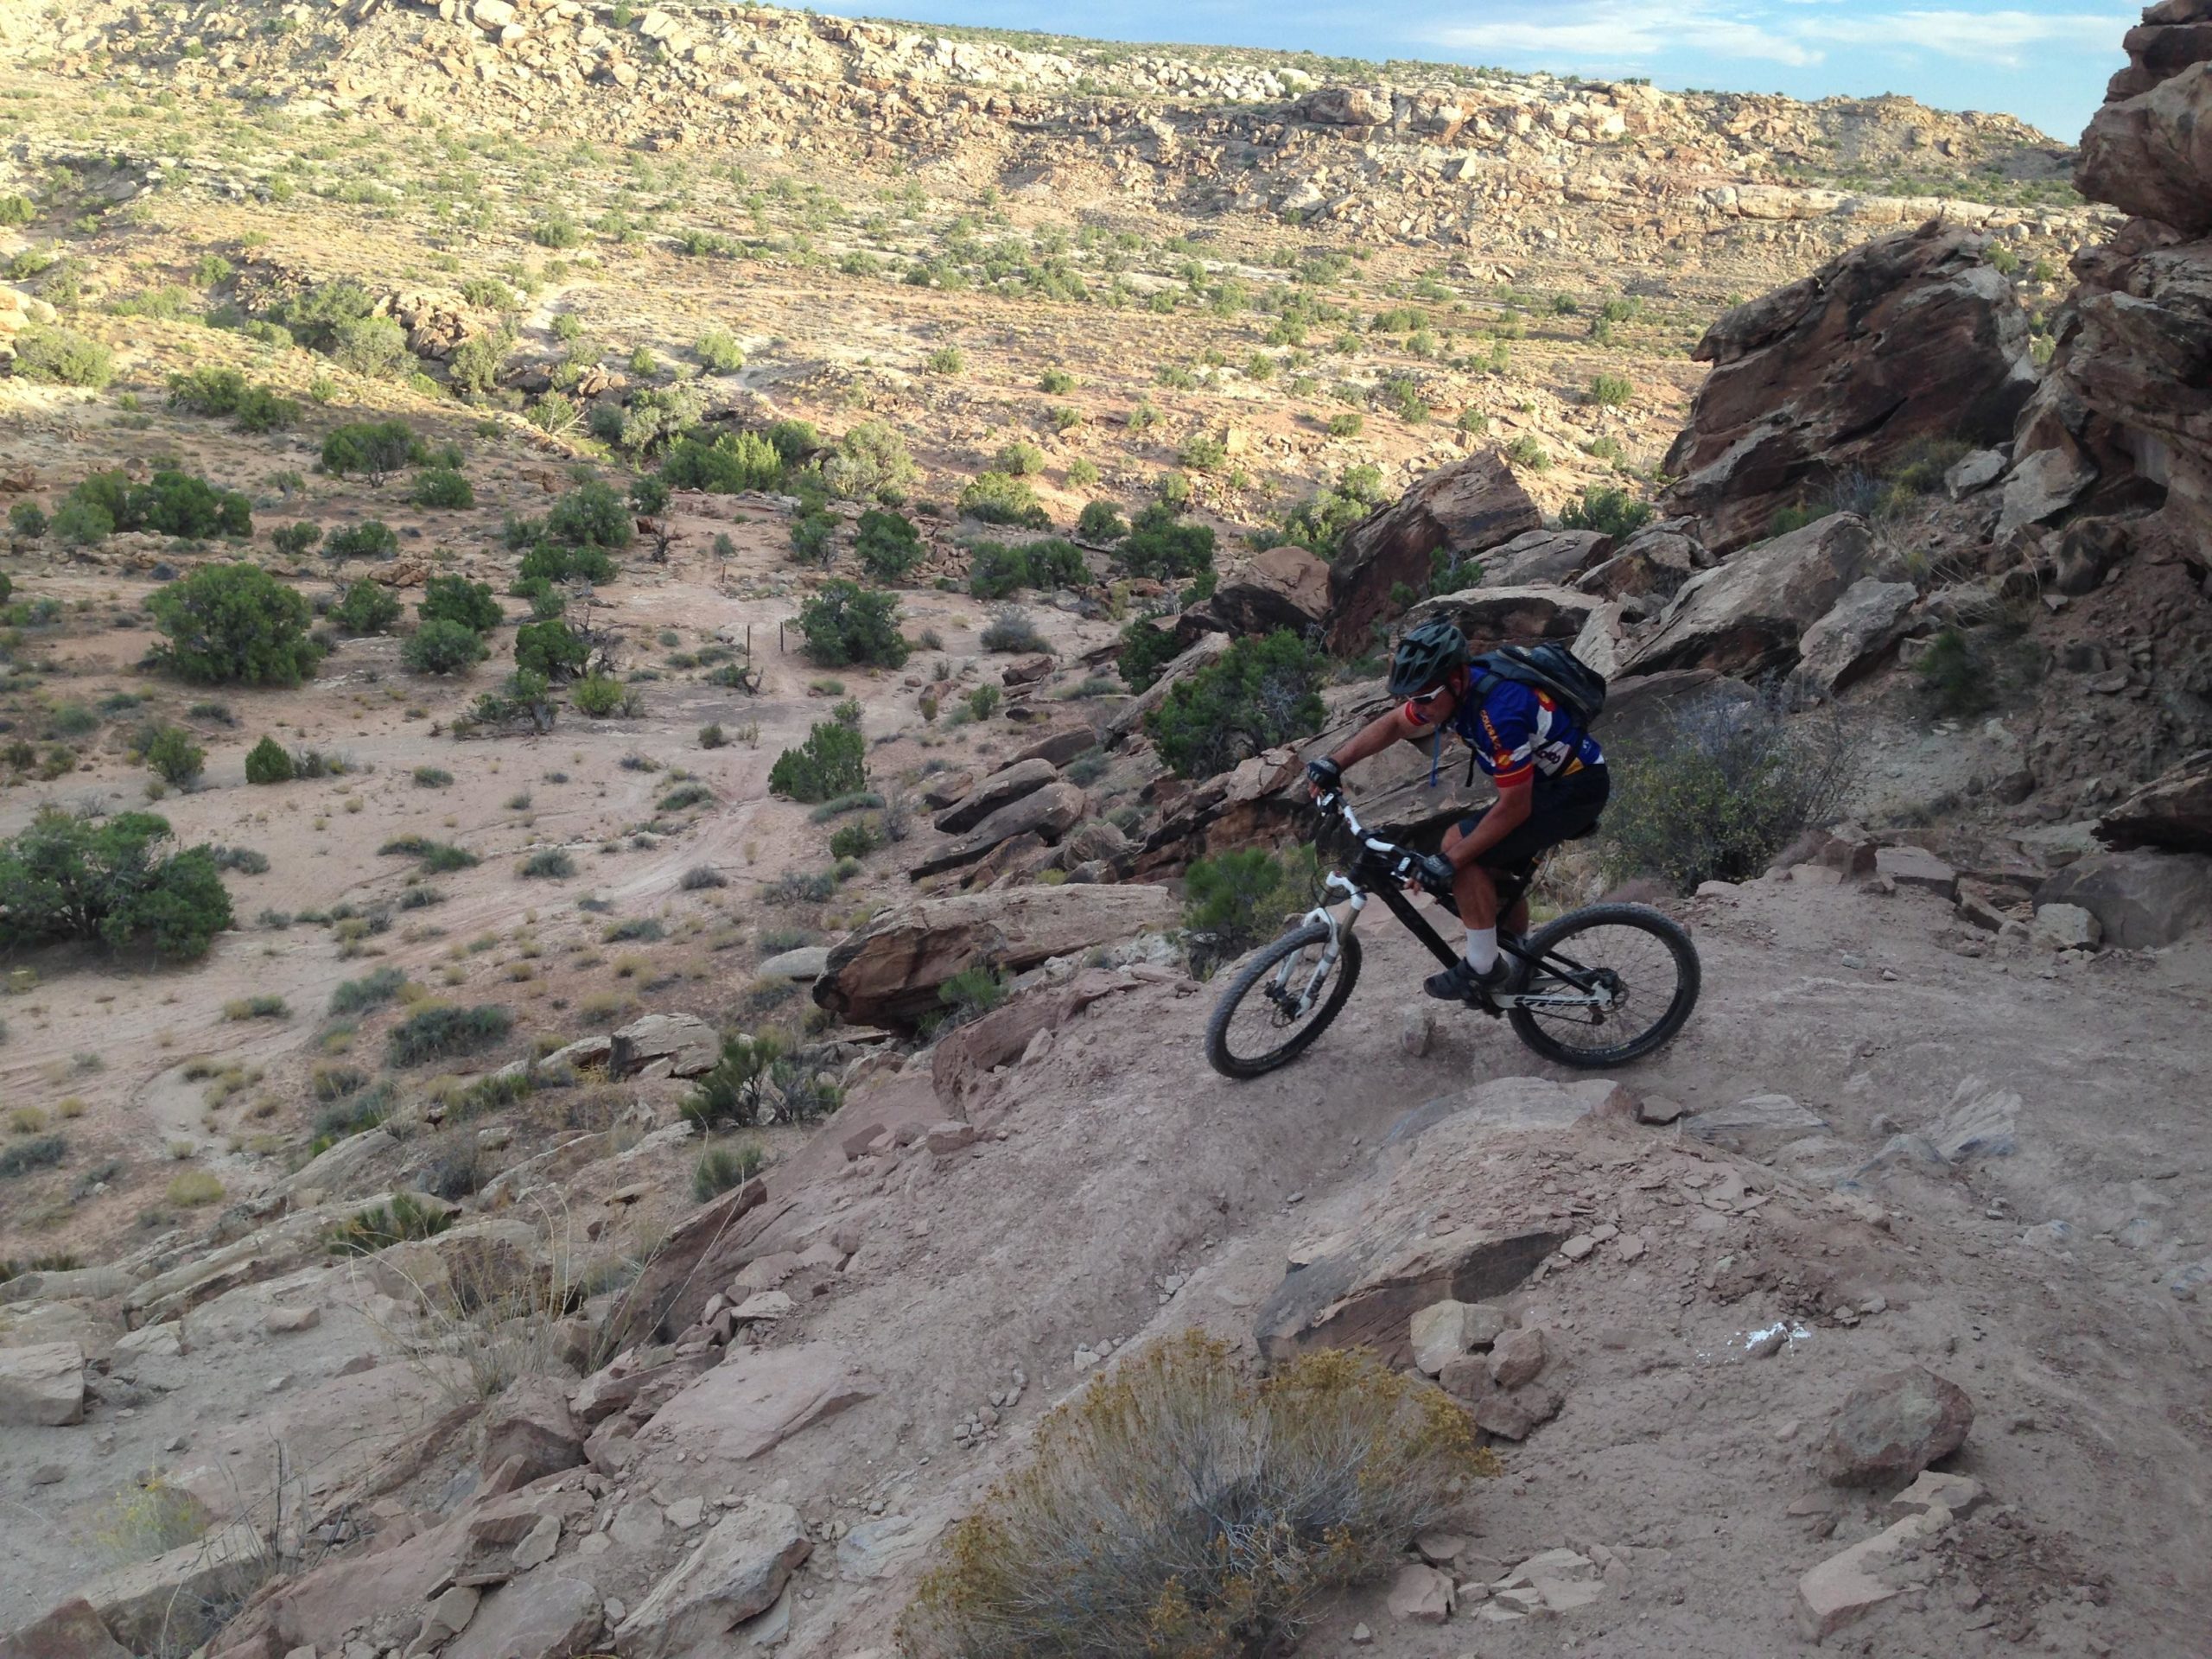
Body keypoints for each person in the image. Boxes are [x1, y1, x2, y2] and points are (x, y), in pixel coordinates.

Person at [1305, 619, 1609, 1001]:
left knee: (1461, 855)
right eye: (1413, 697)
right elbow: (1396, 723)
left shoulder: (1499, 711)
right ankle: (1524, 959)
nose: (1418, 707)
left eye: (1425, 697)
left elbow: (1516, 807)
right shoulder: (1448, 693)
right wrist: (1336, 763)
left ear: (1458, 677)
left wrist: (1449, 863)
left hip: (1574, 790)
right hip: (1549, 783)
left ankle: (1483, 969)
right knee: (1478, 863)